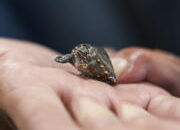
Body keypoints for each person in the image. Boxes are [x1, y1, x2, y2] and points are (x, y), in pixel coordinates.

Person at [0, 37, 179, 130]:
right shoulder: (77, 55)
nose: (79, 51)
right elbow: (67, 58)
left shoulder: (88, 58)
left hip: (104, 69)